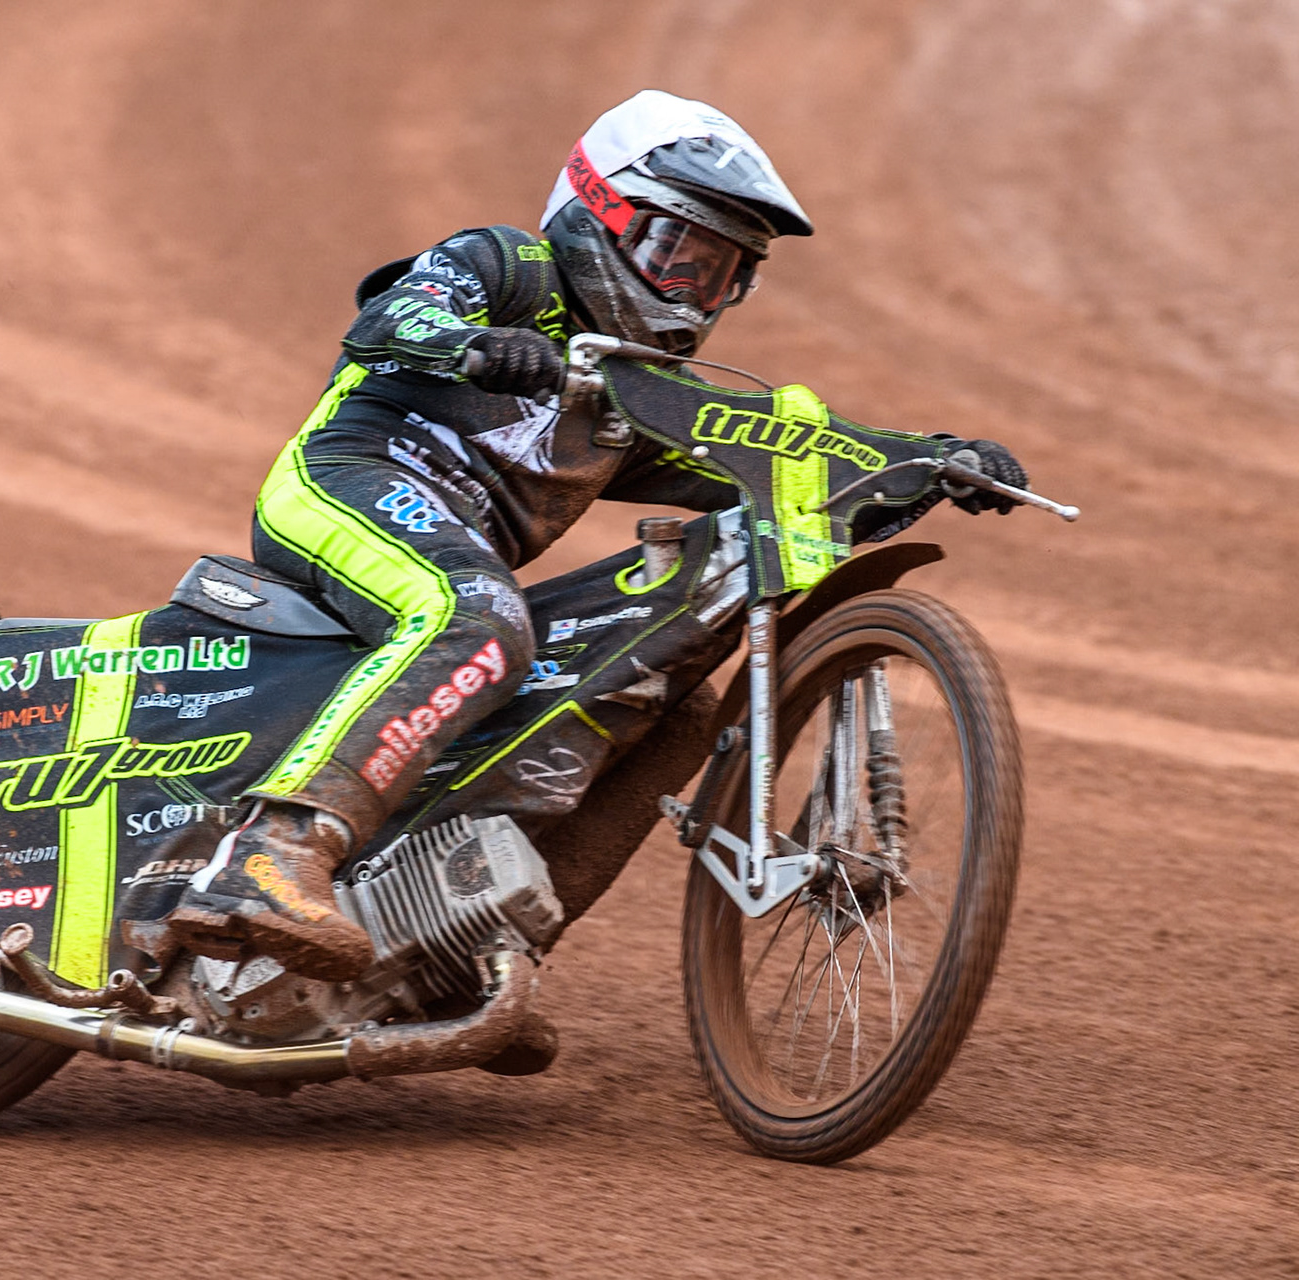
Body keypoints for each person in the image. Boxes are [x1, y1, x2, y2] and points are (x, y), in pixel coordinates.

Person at [167, 89, 1024, 981]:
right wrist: (471, 344)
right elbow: (385, 317)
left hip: (454, 558)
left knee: (670, 704)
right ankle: (272, 857)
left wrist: (929, 459)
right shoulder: (509, 265)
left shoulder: (639, 400)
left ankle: (471, 957)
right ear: (596, 214)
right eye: (676, 249)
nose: (692, 288)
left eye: (720, 270)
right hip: (344, 485)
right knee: (482, 615)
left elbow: (772, 458)